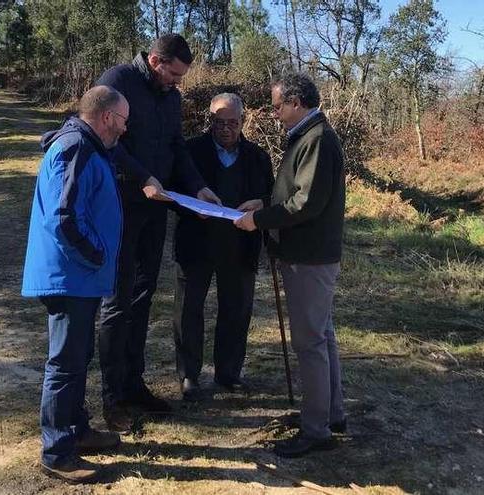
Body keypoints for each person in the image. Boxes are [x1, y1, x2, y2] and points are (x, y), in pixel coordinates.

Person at [95, 34, 221, 430]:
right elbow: (104, 142)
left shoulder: (172, 98)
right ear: (154, 60)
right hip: (119, 207)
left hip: (156, 209)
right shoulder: (117, 82)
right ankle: (112, 398)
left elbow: (176, 147)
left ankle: (135, 385)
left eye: (182, 77)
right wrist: (142, 176)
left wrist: (197, 185)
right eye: (174, 74)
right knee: (116, 304)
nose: (178, 82)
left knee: (143, 296)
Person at [21, 86, 131, 483]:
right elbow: (65, 217)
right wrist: (98, 253)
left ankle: (78, 430)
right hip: (69, 276)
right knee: (65, 364)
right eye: (123, 121)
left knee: (77, 358)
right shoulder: (76, 148)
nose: (124, 128)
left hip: (79, 276)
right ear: (105, 117)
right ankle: (57, 452)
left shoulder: (88, 147)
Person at [234, 73, 347, 458]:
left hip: (309, 258)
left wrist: (260, 221)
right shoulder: (307, 136)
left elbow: (306, 203)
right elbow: (295, 193)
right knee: (322, 335)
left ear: (296, 103)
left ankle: (316, 431)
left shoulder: (316, 139)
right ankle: (331, 413)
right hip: (307, 254)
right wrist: (264, 205)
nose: (275, 112)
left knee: (310, 342)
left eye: (278, 105)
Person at [172, 93, 273, 401]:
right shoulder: (190, 151)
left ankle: (228, 373)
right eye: (219, 122)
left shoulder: (258, 156)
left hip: (240, 246)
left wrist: (262, 204)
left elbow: (272, 195)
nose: (226, 129)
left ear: (243, 122)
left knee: (236, 311)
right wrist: (192, 207)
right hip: (196, 243)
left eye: (233, 123)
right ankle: (189, 375)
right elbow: (173, 193)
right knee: (189, 311)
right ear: (210, 120)